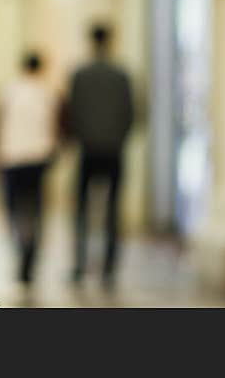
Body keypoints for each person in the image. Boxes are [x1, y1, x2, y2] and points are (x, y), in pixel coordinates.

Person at [0, 52, 62, 287]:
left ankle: (21, 244)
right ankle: (31, 249)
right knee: (36, 206)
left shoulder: (8, 90)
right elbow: (59, 125)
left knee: (13, 206)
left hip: (10, 157)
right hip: (39, 157)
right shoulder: (49, 93)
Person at [67, 23, 134, 288]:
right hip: (114, 150)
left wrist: (82, 137)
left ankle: (81, 264)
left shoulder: (80, 75)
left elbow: (73, 112)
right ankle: (108, 267)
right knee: (113, 209)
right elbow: (131, 113)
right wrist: (117, 137)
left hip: (88, 150)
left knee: (82, 209)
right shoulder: (122, 75)